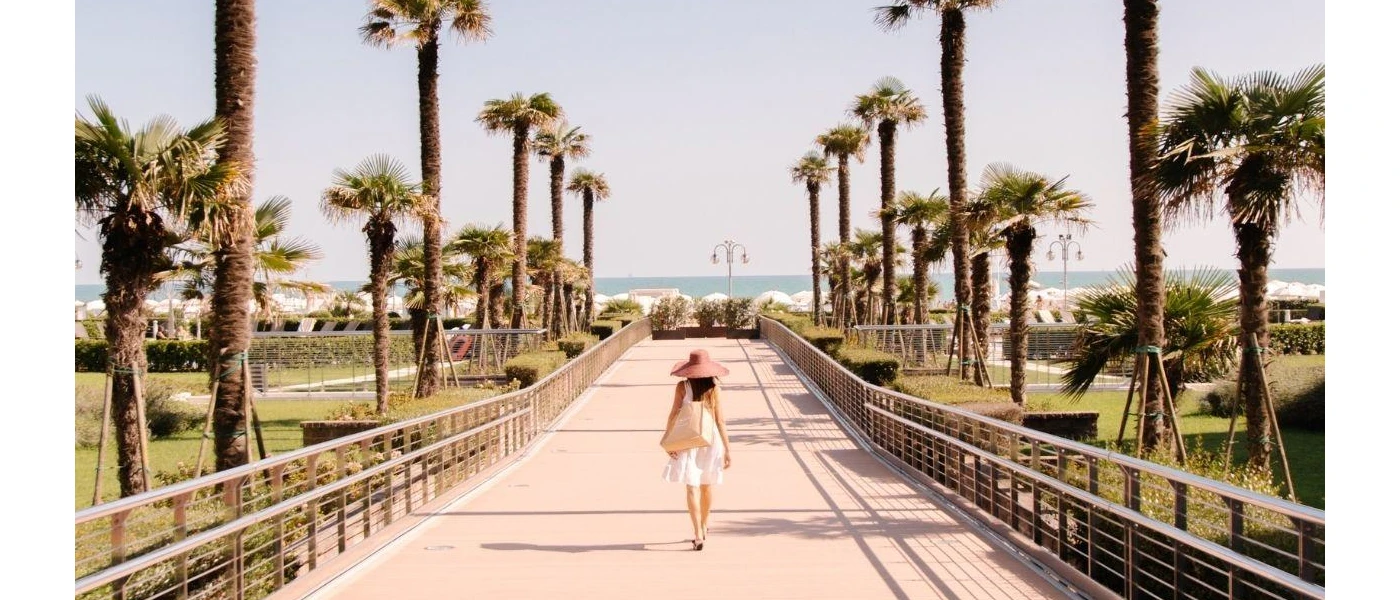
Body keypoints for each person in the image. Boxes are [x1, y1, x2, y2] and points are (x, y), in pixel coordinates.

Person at [661, 349, 732, 551]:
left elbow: (673, 414)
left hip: (688, 440)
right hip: (711, 440)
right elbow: (721, 421)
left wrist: (668, 440)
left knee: (692, 486)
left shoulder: (682, 387)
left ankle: (698, 533)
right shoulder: (714, 389)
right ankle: (703, 525)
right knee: (707, 485)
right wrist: (727, 449)